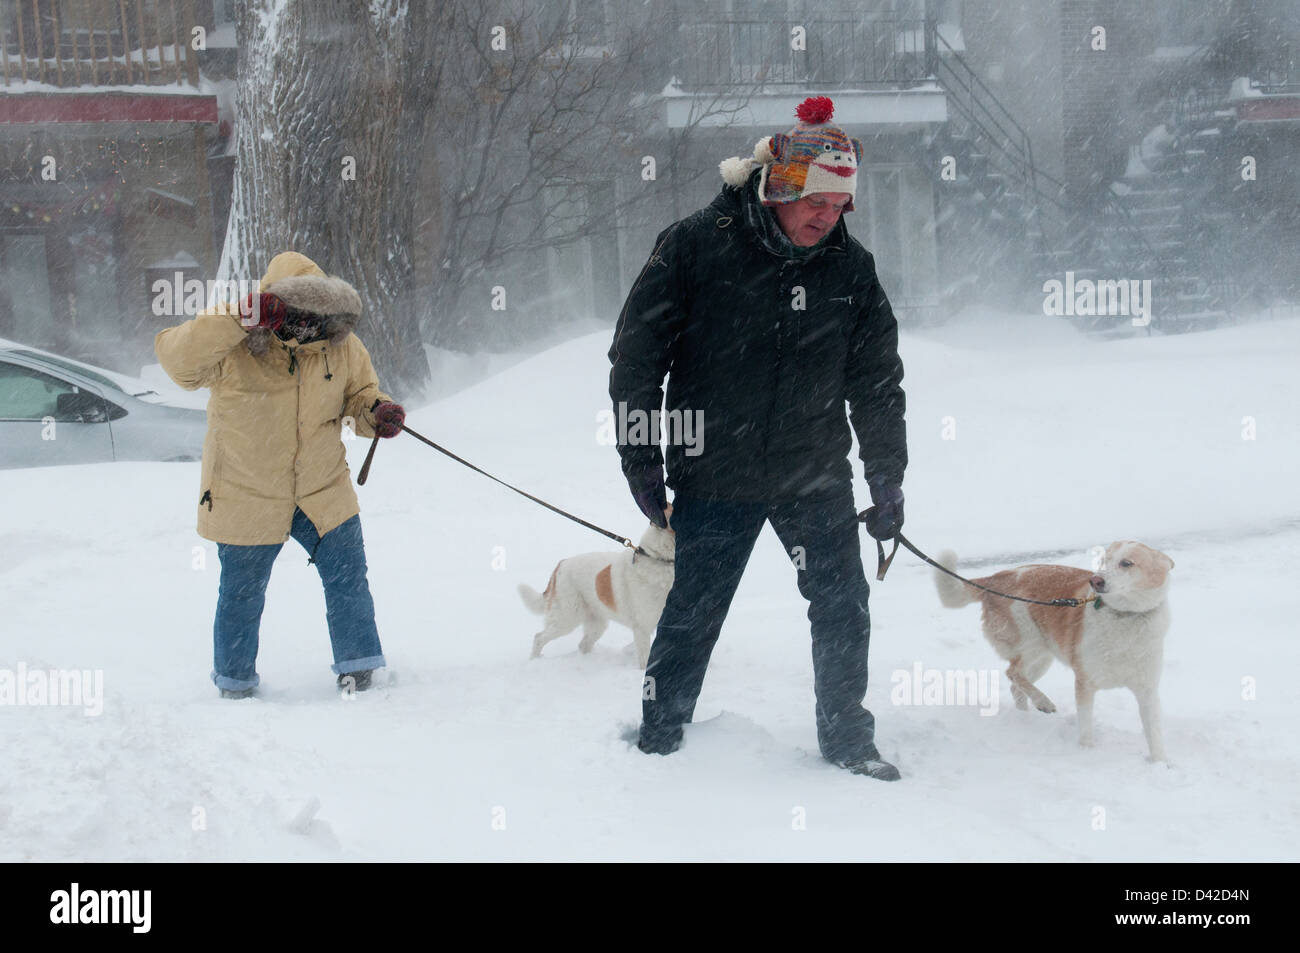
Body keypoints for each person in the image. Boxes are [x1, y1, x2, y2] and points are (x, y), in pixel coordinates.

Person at [608, 97, 909, 780]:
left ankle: (848, 739)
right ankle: (661, 737)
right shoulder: (695, 244)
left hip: (813, 469)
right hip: (717, 467)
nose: (826, 218)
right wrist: (641, 455)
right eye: (814, 202)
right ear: (778, 186)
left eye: (839, 206)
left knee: (842, 604)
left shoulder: (849, 269)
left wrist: (886, 474)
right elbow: (635, 357)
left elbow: (878, 381)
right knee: (693, 610)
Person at [156, 251, 406, 699]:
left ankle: (359, 668)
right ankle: (234, 682)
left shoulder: (342, 345)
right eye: (295, 311)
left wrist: (376, 411)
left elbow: (360, 395)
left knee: (349, 577)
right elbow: (177, 362)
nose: (307, 323)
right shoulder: (233, 344)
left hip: (321, 487)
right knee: (241, 595)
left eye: (317, 312)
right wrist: (237, 318)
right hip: (245, 491)